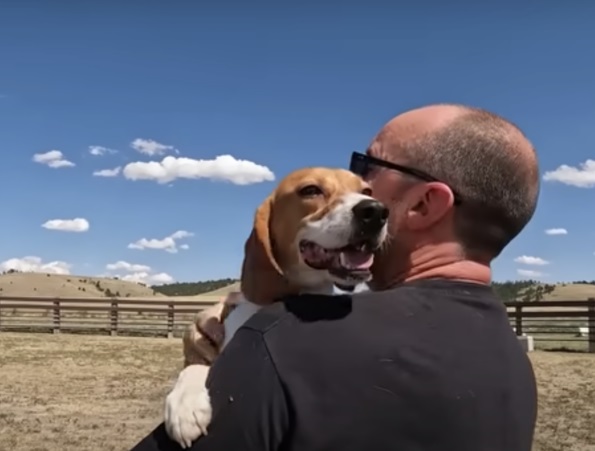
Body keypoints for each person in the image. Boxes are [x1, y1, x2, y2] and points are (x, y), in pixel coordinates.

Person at [130, 104, 539, 451]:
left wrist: (225, 351)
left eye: (368, 168)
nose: (359, 193)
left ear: (423, 205)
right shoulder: (516, 372)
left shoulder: (285, 342)